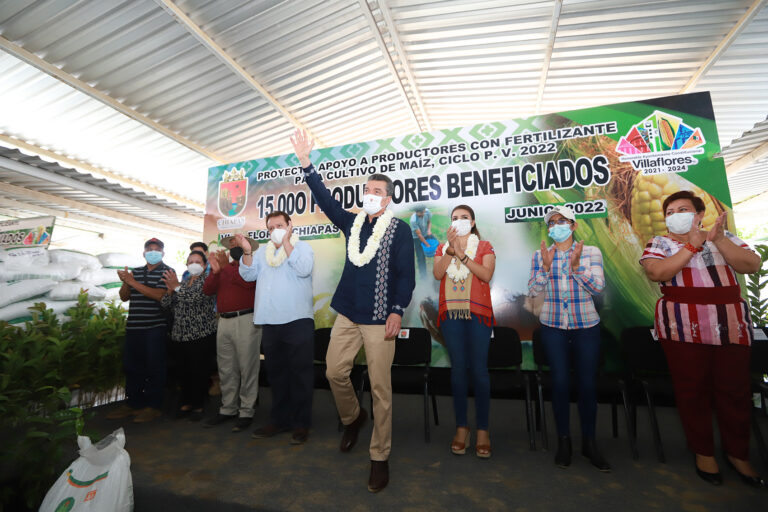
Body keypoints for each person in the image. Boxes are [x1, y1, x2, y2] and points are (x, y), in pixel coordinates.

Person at [290, 129, 415, 493]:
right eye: (368, 191)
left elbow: (406, 276)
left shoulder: (400, 231)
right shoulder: (353, 223)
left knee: (380, 389)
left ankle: (379, 457)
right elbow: (327, 202)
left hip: (381, 320)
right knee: (333, 372)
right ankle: (353, 417)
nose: (370, 196)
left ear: (388, 199)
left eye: (377, 192)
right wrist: (306, 165)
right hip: (347, 313)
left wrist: (396, 310)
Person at [639, 190, 764, 488]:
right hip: (682, 326)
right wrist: (691, 247)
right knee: (691, 390)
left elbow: (751, 264)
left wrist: (716, 239)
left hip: (729, 324)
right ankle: (703, 451)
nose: (675, 215)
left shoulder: (725, 237)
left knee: (734, 390)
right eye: (669, 212)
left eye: (682, 209)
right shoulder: (660, 243)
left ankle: (738, 454)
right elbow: (657, 272)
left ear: (698, 214)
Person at [527, 205, 610, 472]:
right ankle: (564, 441)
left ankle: (589, 442)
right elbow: (534, 289)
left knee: (587, 385)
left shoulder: (592, 252)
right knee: (560, 383)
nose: (556, 226)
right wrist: (546, 268)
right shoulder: (540, 255)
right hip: (552, 326)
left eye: (562, 221)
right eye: (552, 223)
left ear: (573, 226)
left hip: (586, 326)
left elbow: (597, 287)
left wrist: (575, 268)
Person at [236, 211, 315, 445]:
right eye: (270, 228)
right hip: (269, 322)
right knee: (277, 374)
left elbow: (303, 269)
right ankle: (279, 420)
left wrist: (287, 243)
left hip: (297, 320)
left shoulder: (303, 247)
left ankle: (301, 423)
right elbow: (248, 275)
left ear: (290, 225)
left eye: (279, 225)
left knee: (300, 375)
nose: (274, 231)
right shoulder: (262, 253)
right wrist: (248, 251)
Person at [433, 205, 496, 458]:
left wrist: (464, 256)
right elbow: (439, 273)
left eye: (464, 218)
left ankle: (483, 430)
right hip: (451, 316)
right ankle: (462, 427)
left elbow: (486, 274)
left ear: (472, 223)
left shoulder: (484, 246)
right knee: (458, 370)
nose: (459, 221)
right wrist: (451, 251)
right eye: (455, 218)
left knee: (479, 372)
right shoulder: (441, 248)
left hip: (478, 315)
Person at [107, 238, 172, 423]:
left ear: (162, 253)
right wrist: (126, 282)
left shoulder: (168, 271)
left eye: (157, 250)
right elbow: (124, 297)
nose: (153, 252)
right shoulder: (135, 272)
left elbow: (161, 296)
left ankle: (153, 406)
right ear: (144, 253)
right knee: (132, 366)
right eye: (149, 249)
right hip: (134, 326)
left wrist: (132, 282)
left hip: (155, 327)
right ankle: (134, 403)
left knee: (155, 367)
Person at [201, 237, 261, 432]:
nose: (234, 248)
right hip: (223, 321)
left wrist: (225, 268)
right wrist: (216, 272)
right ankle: (228, 408)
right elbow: (207, 290)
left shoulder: (252, 266)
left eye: (239, 245)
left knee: (247, 367)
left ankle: (246, 411)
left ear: (247, 248)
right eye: (232, 246)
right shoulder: (223, 267)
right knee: (226, 368)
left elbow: (247, 285)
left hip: (246, 320)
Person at [159, 250, 217, 421]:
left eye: (198, 261)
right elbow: (164, 304)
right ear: (186, 265)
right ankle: (186, 403)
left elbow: (194, 298)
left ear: (205, 265)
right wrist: (170, 291)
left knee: (198, 372)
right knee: (183, 372)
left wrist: (175, 286)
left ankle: (199, 406)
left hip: (200, 335)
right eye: (190, 261)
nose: (194, 264)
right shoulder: (182, 283)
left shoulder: (208, 282)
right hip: (180, 336)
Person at [410, 206, 435, 278]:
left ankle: (439, 269)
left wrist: (429, 230)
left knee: (439, 247)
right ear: (416, 212)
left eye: (423, 211)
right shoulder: (413, 220)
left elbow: (429, 222)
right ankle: (423, 276)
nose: (422, 214)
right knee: (420, 257)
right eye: (420, 213)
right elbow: (419, 235)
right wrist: (427, 244)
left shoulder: (427, 212)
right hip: (417, 238)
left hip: (426, 233)